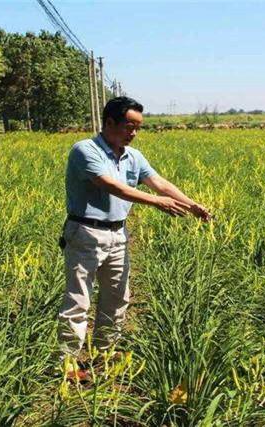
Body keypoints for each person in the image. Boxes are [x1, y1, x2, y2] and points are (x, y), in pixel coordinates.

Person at [58, 96, 211, 380]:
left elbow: (159, 183)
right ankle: (67, 364)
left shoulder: (133, 156)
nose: (134, 132)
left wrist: (192, 205)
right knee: (78, 300)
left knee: (117, 298)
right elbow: (111, 185)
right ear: (110, 122)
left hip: (118, 234)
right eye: (130, 126)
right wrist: (157, 202)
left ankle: (103, 353)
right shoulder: (85, 150)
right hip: (85, 233)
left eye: (138, 127)